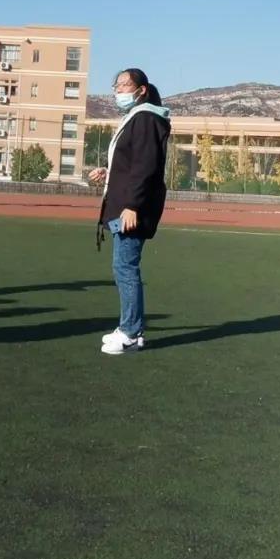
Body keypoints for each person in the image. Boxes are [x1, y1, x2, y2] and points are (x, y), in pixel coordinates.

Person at [89, 68, 171, 356]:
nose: (119, 91)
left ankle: (131, 333)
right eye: (116, 86)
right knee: (122, 267)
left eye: (124, 85)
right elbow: (132, 164)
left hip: (133, 209)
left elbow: (145, 166)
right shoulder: (136, 118)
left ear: (141, 89)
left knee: (125, 268)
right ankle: (128, 327)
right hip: (127, 205)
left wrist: (132, 205)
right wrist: (109, 172)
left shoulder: (146, 118)